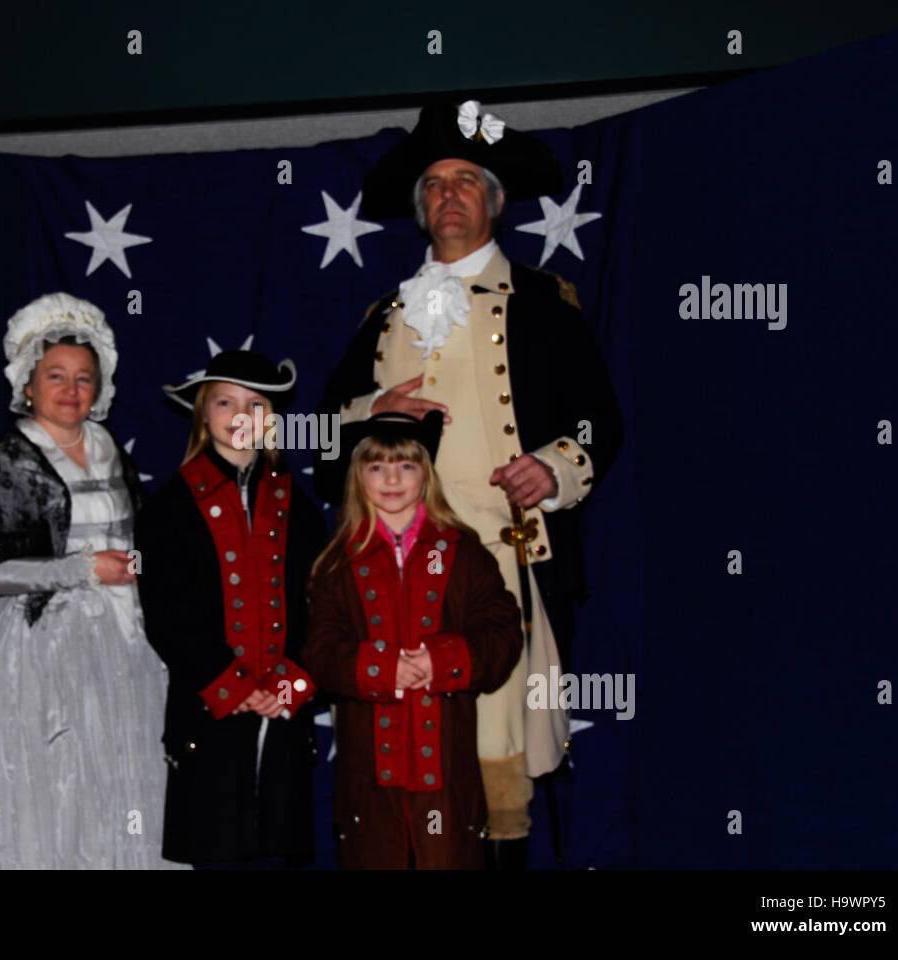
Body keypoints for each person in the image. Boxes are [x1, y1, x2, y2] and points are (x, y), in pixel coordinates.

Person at [317, 99, 624, 867]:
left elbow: (599, 424)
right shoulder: (380, 316)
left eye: (464, 181)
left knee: (498, 778)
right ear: (421, 211)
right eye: (434, 185)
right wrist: (368, 412)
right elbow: (321, 443)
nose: (448, 194)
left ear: (492, 200)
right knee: (400, 772)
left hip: (503, 572)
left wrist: (551, 469)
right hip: (389, 579)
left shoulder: (545, 305)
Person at [0, 293, 175, 869]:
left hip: (122, 641)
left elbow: (140, 546)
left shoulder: (109, 452)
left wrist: (136, 575)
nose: (71, 390)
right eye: (56, 376)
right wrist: (79, 571)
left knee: (119, 781)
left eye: (83, 378)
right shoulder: (7, 463)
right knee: (51, 787)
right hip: (34, 649)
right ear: (28, 383)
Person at [303, 412, 520, 869]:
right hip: (369, 777)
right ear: (357, 476)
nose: (392, 479)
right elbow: (318, 651)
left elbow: (502, 632)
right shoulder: (336, 564)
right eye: (377, 466)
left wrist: (444, 660)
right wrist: (380, 669)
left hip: (445, 767)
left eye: (406, 465)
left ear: (426, 475)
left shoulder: (462, 552)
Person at [135, 350, 326, 868]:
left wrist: (287, 685)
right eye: (225, 401)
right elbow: (167, 611)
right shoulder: (169, 506)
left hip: (285, 714)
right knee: (217, 845)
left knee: (279, 846)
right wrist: (232, 684)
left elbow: (325, 606)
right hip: (208, 710)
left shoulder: (298, 504)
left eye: (255, 404)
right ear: (202, 412)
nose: (240, 416)